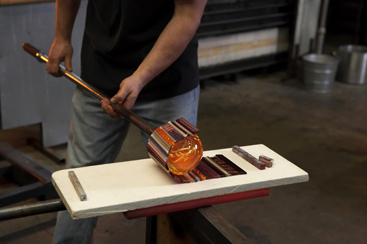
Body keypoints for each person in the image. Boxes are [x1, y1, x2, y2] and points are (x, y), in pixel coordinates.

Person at [46, 0, 207, 243]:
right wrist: (62, 36)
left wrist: (140, 78)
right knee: (78, 179)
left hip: (167, 81)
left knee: (177, 182)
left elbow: (187, 15)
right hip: (99, 71)